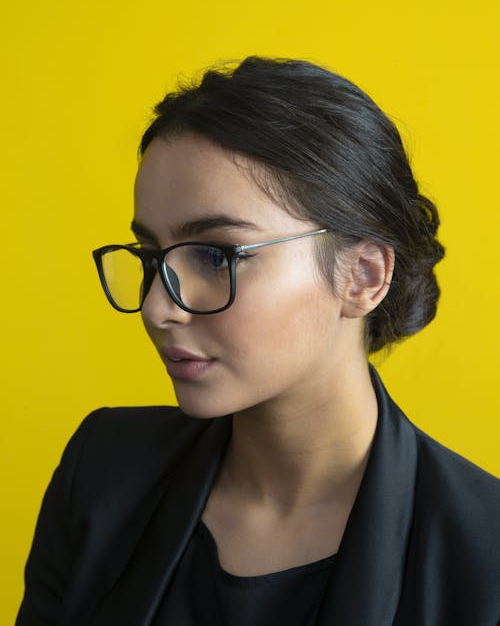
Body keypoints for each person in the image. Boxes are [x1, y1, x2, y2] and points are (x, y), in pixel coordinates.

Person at [16, 57, 500, 626]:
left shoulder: (483, 556)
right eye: (151, 257)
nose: (156, 307)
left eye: (214, 256)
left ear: (363, 276)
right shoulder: (104, 471)